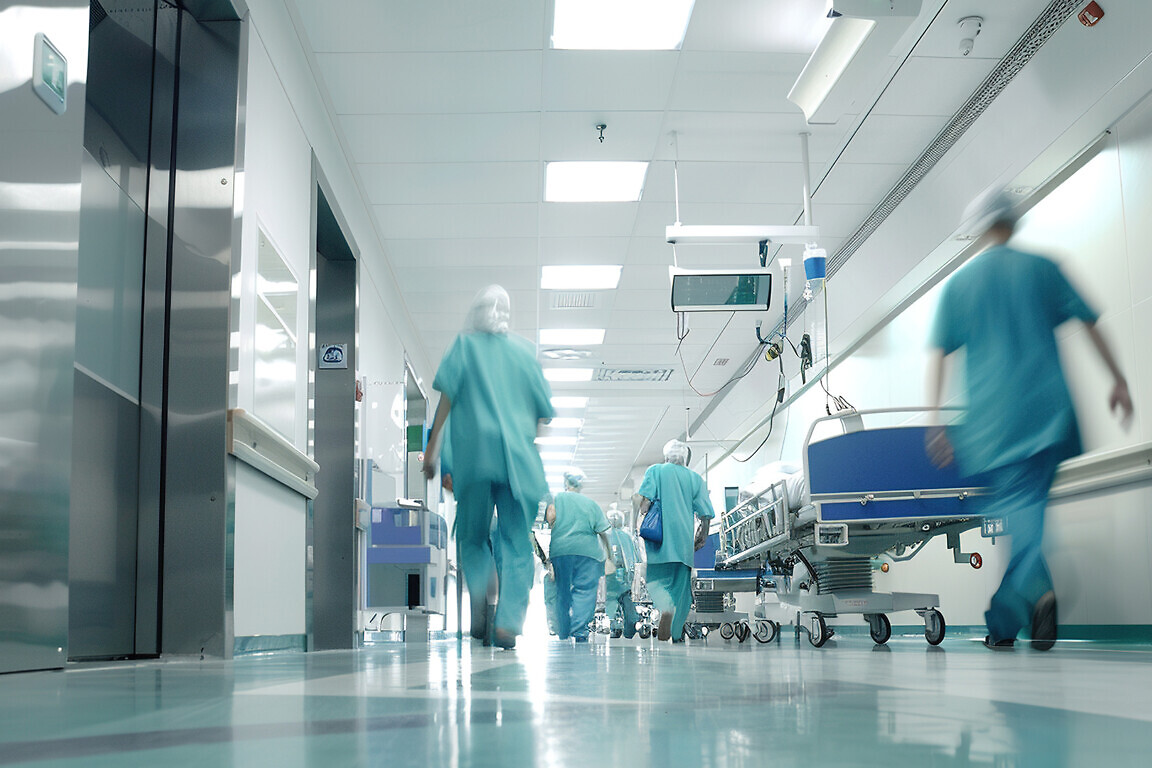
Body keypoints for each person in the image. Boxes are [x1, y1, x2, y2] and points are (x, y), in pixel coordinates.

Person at [927, 192, 1132, 651]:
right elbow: (1090, 321)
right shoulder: (1043, 267)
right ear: (1013, 222)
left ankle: (1037, 599)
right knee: (1026, 521)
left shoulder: (960, 286)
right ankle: (1005, 623)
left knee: (1022, 520)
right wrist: (1117, 379)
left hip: (995, 425)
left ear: (977, 230)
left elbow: (939, 354)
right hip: (1048, 415)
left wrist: (935, 422)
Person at [423, 285, 554, 649]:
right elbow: (542, 415)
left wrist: (432, 455)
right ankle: (509, 621)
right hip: (519, 464)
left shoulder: (463, 348)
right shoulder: (526, 353)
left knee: (472, 538)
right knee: (517, 545)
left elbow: (445, 405)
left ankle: (487, 582)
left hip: (474, 460)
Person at [635, 440, 715, 642]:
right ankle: (677, 634)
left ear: (666, 456)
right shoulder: (695, 478)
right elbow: (705, 511)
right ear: (685, 458)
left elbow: (645, 501)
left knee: (656, 582)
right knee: (682, 591)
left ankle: (665, 607)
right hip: (682, 541)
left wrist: (641, 517)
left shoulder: (656, 471)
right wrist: (703, 534)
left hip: (658, 536)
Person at [546, 469, 615, 642]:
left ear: (565, 483)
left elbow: (551, 522)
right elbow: (604, 532)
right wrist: (609, 556)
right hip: (588, 553)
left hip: (561, 551)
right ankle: (579, 630)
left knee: (562, 591)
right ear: (580, 484)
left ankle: (563, 630)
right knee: (585, 591)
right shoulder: (591, 504)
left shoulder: (556, 500)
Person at [604, 507, 641, 638]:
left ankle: (615, 627)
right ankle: (630, 626)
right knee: (626, 599)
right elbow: (637, 558)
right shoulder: (628, 537)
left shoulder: (605, 536)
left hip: (611, 575)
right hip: (627, 575)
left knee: (612, 599)